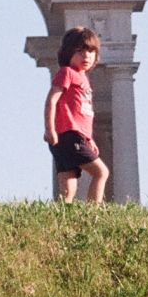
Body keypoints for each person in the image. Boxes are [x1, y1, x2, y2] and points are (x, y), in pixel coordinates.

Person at [44, 26, 109, 204]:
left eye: (91, 51)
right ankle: (92, 212)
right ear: (68, 53)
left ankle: (63, 215)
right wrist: (50, 129)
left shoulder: (83, 78)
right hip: (70, 136)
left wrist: (90, 140)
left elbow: (82, 116)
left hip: (75, 136)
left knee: (69, 182)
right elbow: (52, 100)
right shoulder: (67, 73)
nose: (86, 56)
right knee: (101, 172)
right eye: (80, 51)